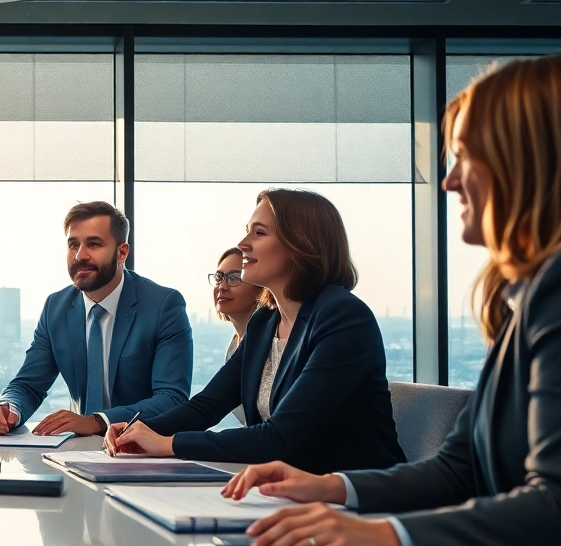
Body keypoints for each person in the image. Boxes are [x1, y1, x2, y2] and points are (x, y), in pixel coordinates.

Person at [222, 55, 561, 546]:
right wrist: (332, 488)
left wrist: (385, 536)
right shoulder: (532, 296)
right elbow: (458, 469)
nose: (448, 180)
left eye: (466, 156)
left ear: (532, 162)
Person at [106, 189, 404, 474]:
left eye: (259, 233)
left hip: (356, 499)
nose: (243, 243)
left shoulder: (343, 317)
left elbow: (279, 437)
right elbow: (206, 406)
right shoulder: (264, 321)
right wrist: (141, 428)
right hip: (288, 490)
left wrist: (168, 444)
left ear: (301, 245)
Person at [0, 201, 192, 437]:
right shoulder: (56, 308)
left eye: (94, 244)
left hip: (145, 448)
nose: (80, 255)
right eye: (73, 244)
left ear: (122, 252)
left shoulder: (163, 306)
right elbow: (28, 385)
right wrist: (8, 407)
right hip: (79, 452)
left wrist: (98, 422)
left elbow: (172, 398)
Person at [210, 246, 259, 425]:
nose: (222, 286)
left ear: (260, 289)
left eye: (234, 278)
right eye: (219, 278)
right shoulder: (233, 349)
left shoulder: (272, 344)